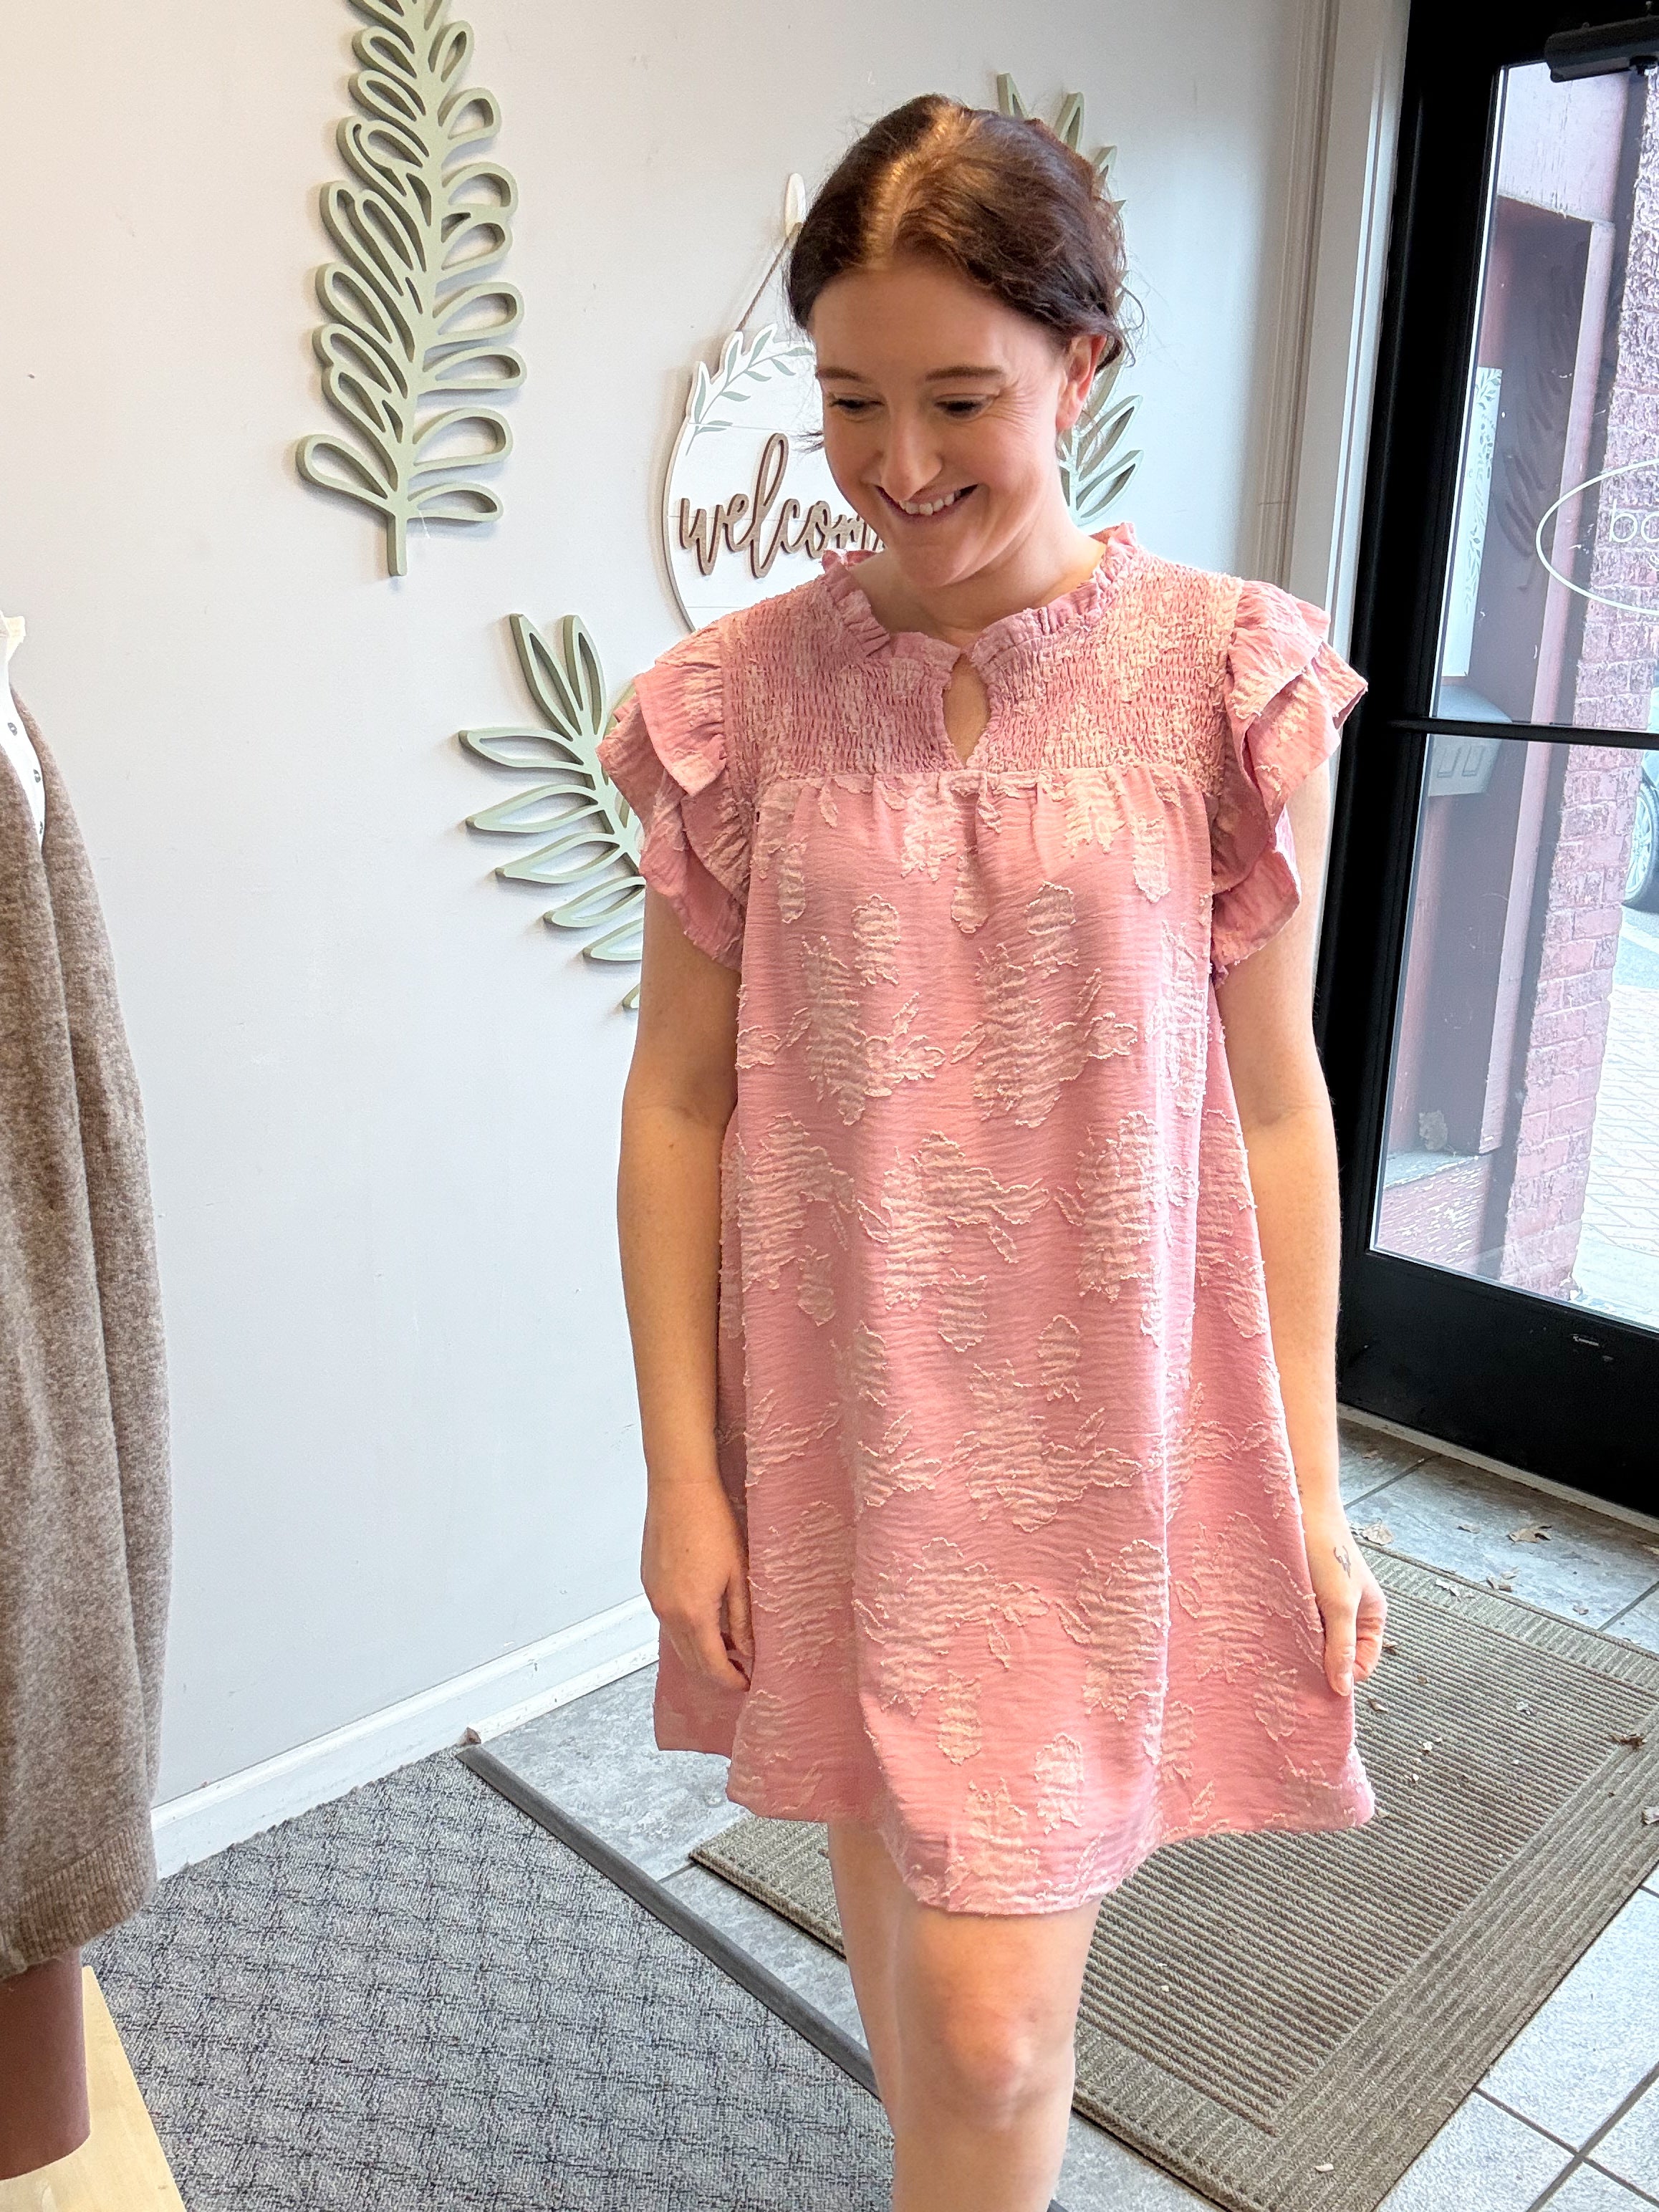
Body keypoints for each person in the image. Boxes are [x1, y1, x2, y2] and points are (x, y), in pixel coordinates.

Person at [600, 92, 1387, 2212]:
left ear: (1080, 368)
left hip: (1100, 1433)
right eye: (851, 401)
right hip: (838, 1420)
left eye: (963, 399)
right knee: (911, 1950)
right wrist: (682, 1478)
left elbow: (1272, 1102)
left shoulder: (1223, 682)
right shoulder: (734, 705)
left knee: (986, 2025)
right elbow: (678, 1102)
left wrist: (1311, 1493)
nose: (902, 463)